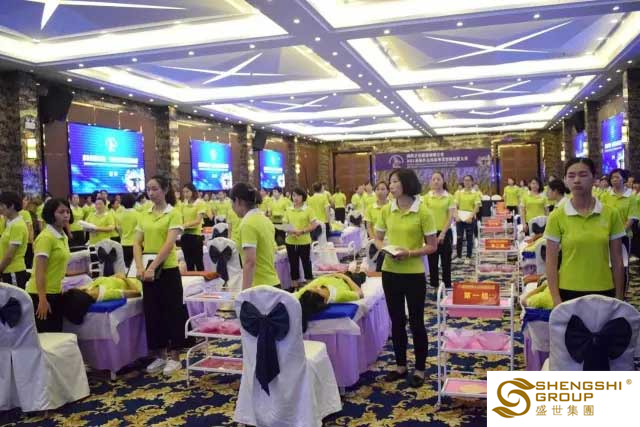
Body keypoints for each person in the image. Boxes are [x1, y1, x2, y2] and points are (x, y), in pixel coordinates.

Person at [374, 168, 437, 387]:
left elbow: (432, 246)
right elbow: (378, 238)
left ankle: (420, 369)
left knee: (417, 322)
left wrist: (409, 253)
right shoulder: (387, 210)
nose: (390, 186)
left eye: (395, 182)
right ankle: (400, 365)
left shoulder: (423, 211)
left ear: (407, 184)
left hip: (414, 274)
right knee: (397, 321)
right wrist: (385, 249)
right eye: (390, 182)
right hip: (390, 272)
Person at [544, 158, 625, 305]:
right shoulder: (557, 216)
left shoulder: (611, 214)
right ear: (565, 180)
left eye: (583, 175)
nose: (576, 180)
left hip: (604, 289)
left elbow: (617, 260)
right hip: (568, 290)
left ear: (594, 178)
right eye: (571, 175)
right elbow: (551, 262)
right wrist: (556, 298)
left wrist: (619, 297)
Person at [133, 175, 187, 375]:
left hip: (168, 269)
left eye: (155, 188)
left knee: (172, 311)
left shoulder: (173, 213)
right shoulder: (144, 213)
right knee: (152, 312)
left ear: (165, 190)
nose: (151, 192)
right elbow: (137, 242)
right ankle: (160, 355)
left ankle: (175, 357)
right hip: (147, 270)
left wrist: (153, 267)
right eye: (148, 189)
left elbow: (169, 243)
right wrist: (140, 267)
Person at [26, 198, 72, 332]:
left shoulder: (62, 236)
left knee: (57, 334)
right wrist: (42, 299)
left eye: (68, 212)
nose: (66, 215)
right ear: (51, 214)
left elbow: (58, 265)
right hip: (41, 294)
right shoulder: (46, 237)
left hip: (56, 292)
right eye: (61, 212)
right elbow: (40, 271)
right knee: (46, 338)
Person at [230, 182, 280, 289]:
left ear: (238, 201)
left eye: (232, 202)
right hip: (272, 282)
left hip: (259, 287)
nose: (232, 207)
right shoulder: (265, 219)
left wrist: (245, 293)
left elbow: (250, 262)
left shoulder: (248, 224)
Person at [62, 274, 142, 324]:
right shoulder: (108, 294)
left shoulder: (88, 289)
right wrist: (125, 278)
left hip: (123, 277)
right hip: (136, 282)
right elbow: (137, 292)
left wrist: (114, 276)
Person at [296, 273, 364, 331]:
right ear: (325, 301)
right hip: (348, 281)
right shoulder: (340, 294)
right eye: (315, 289)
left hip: (336, 277)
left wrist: (335, 275)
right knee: (359, 276)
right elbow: (360, 294)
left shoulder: (310, 289)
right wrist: (347, 278)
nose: (314, 288)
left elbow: (297, 295)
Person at [423, 172, 456, 289]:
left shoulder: (449, 197)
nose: (436, 181)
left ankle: (447, 285)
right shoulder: (426, 197)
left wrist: (442, 233)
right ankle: (434, 285)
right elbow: (424, 216)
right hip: (430, 233)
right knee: (432, 260)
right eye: (433, 179)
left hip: (445, 232)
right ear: (430, 182)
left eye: (438, 179)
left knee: (446, 261)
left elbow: (450, 217)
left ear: (443, 181)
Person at [283, 187, 319, 290]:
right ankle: (295, 286)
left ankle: (310, 286)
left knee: (306, 263)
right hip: (290, 241)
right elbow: (285, 224)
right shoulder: (288, 210)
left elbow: (314, 225)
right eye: (294, 195)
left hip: (304, 241)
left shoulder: (308, 209)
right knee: (293, 263)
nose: (296, 198)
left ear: (303, 197)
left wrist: (302, 231)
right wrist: (290, 231)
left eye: (298, 195)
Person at [0, 192, 29, 289]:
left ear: (11, 206)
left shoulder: (17, 225)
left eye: (2, 205)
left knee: (14, 298)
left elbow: (9, 255)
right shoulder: (10, 223)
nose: (0, 208)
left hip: (14, 271)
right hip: (7, 270)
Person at [180, 183, 207, 271]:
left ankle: (202, 280)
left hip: (196, 237)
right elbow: (181, 218)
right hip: (185, 236)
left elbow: (198, 220)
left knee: (199, 263)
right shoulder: (183, 204)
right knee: (189, 264)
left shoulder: (200, 203)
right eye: (184, 192)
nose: (185, 194)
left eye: (187, 192)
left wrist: (185, 225)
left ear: (193, 191)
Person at [455, 175, 480, 264]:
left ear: (472, 182)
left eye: (469, 180)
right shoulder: (458, 193)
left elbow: (477, 207)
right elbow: (455, 206)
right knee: (459, 238)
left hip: (470, 218)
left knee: (469, 238)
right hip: (460, 218)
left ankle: (468, 256)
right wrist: (456, 216)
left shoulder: (475, 193)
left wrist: (470, 217)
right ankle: (459, 256)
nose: (467, 182)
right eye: (465, 180)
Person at [118, 194, 139, 268]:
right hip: (136, 244)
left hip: (123, 244)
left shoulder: (119, 215)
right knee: (136, 267)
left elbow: (119, 230)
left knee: (127, 268)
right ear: (134, 202)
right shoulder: (138, 215)